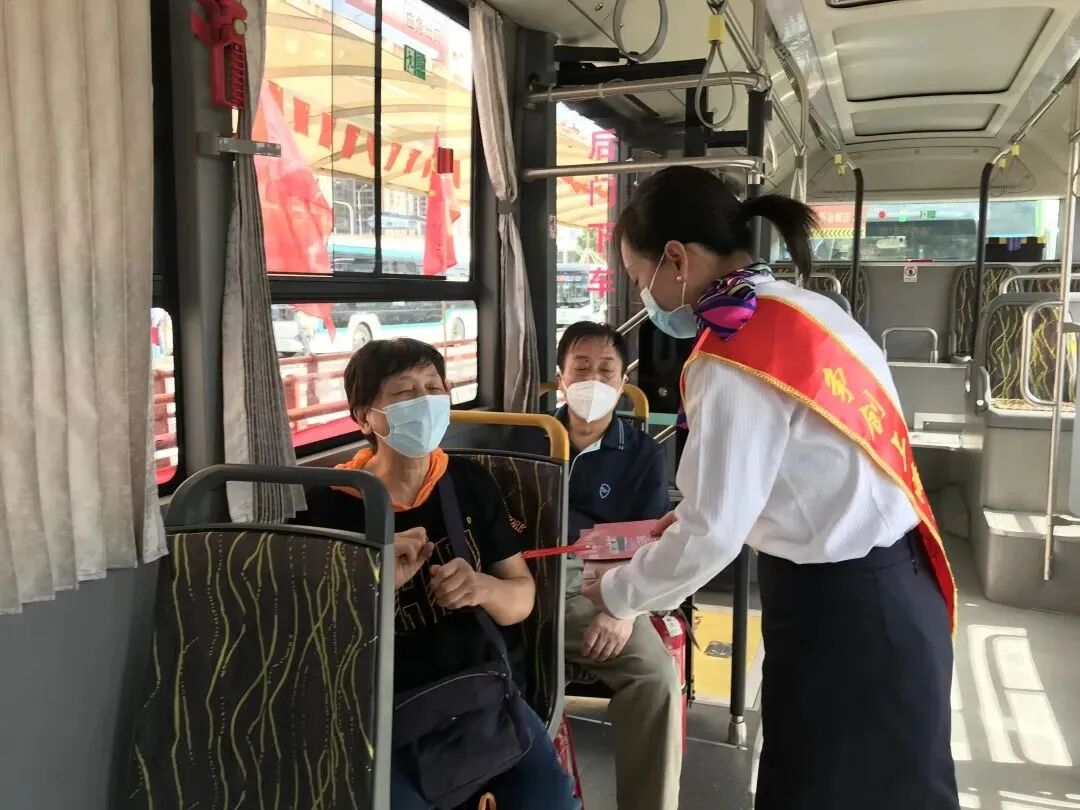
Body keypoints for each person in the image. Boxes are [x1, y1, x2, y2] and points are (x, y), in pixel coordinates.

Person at [582, 167, 959, 810]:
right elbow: (802, 473)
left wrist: (621, 595)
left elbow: (714, 533)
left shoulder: (733, 352)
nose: (643, 295)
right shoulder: (807, 312)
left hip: (844, 617)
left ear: (676, 260)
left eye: (639, 277)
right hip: (895, 590)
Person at [296, 337, 579, 810]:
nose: (425, 401)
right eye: (404, 392)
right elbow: (320, 639)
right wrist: (378, 584)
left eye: (433, 387)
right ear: (365, 417)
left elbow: (521, 600)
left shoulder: (470, 483)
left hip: (483, 689)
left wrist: (481, 587)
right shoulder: (330, 507)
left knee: (551, 801)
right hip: (382, 707)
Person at [553, 321, 681, 810]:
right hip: (531, 580)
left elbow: (648, 544)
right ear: (561, 378)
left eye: (606, 370)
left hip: (605, 582)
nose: (593, 380)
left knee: (655, 678)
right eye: (581, 367)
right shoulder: (530, 438)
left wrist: (623, 609)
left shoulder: (642, 453)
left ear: (623, 381)